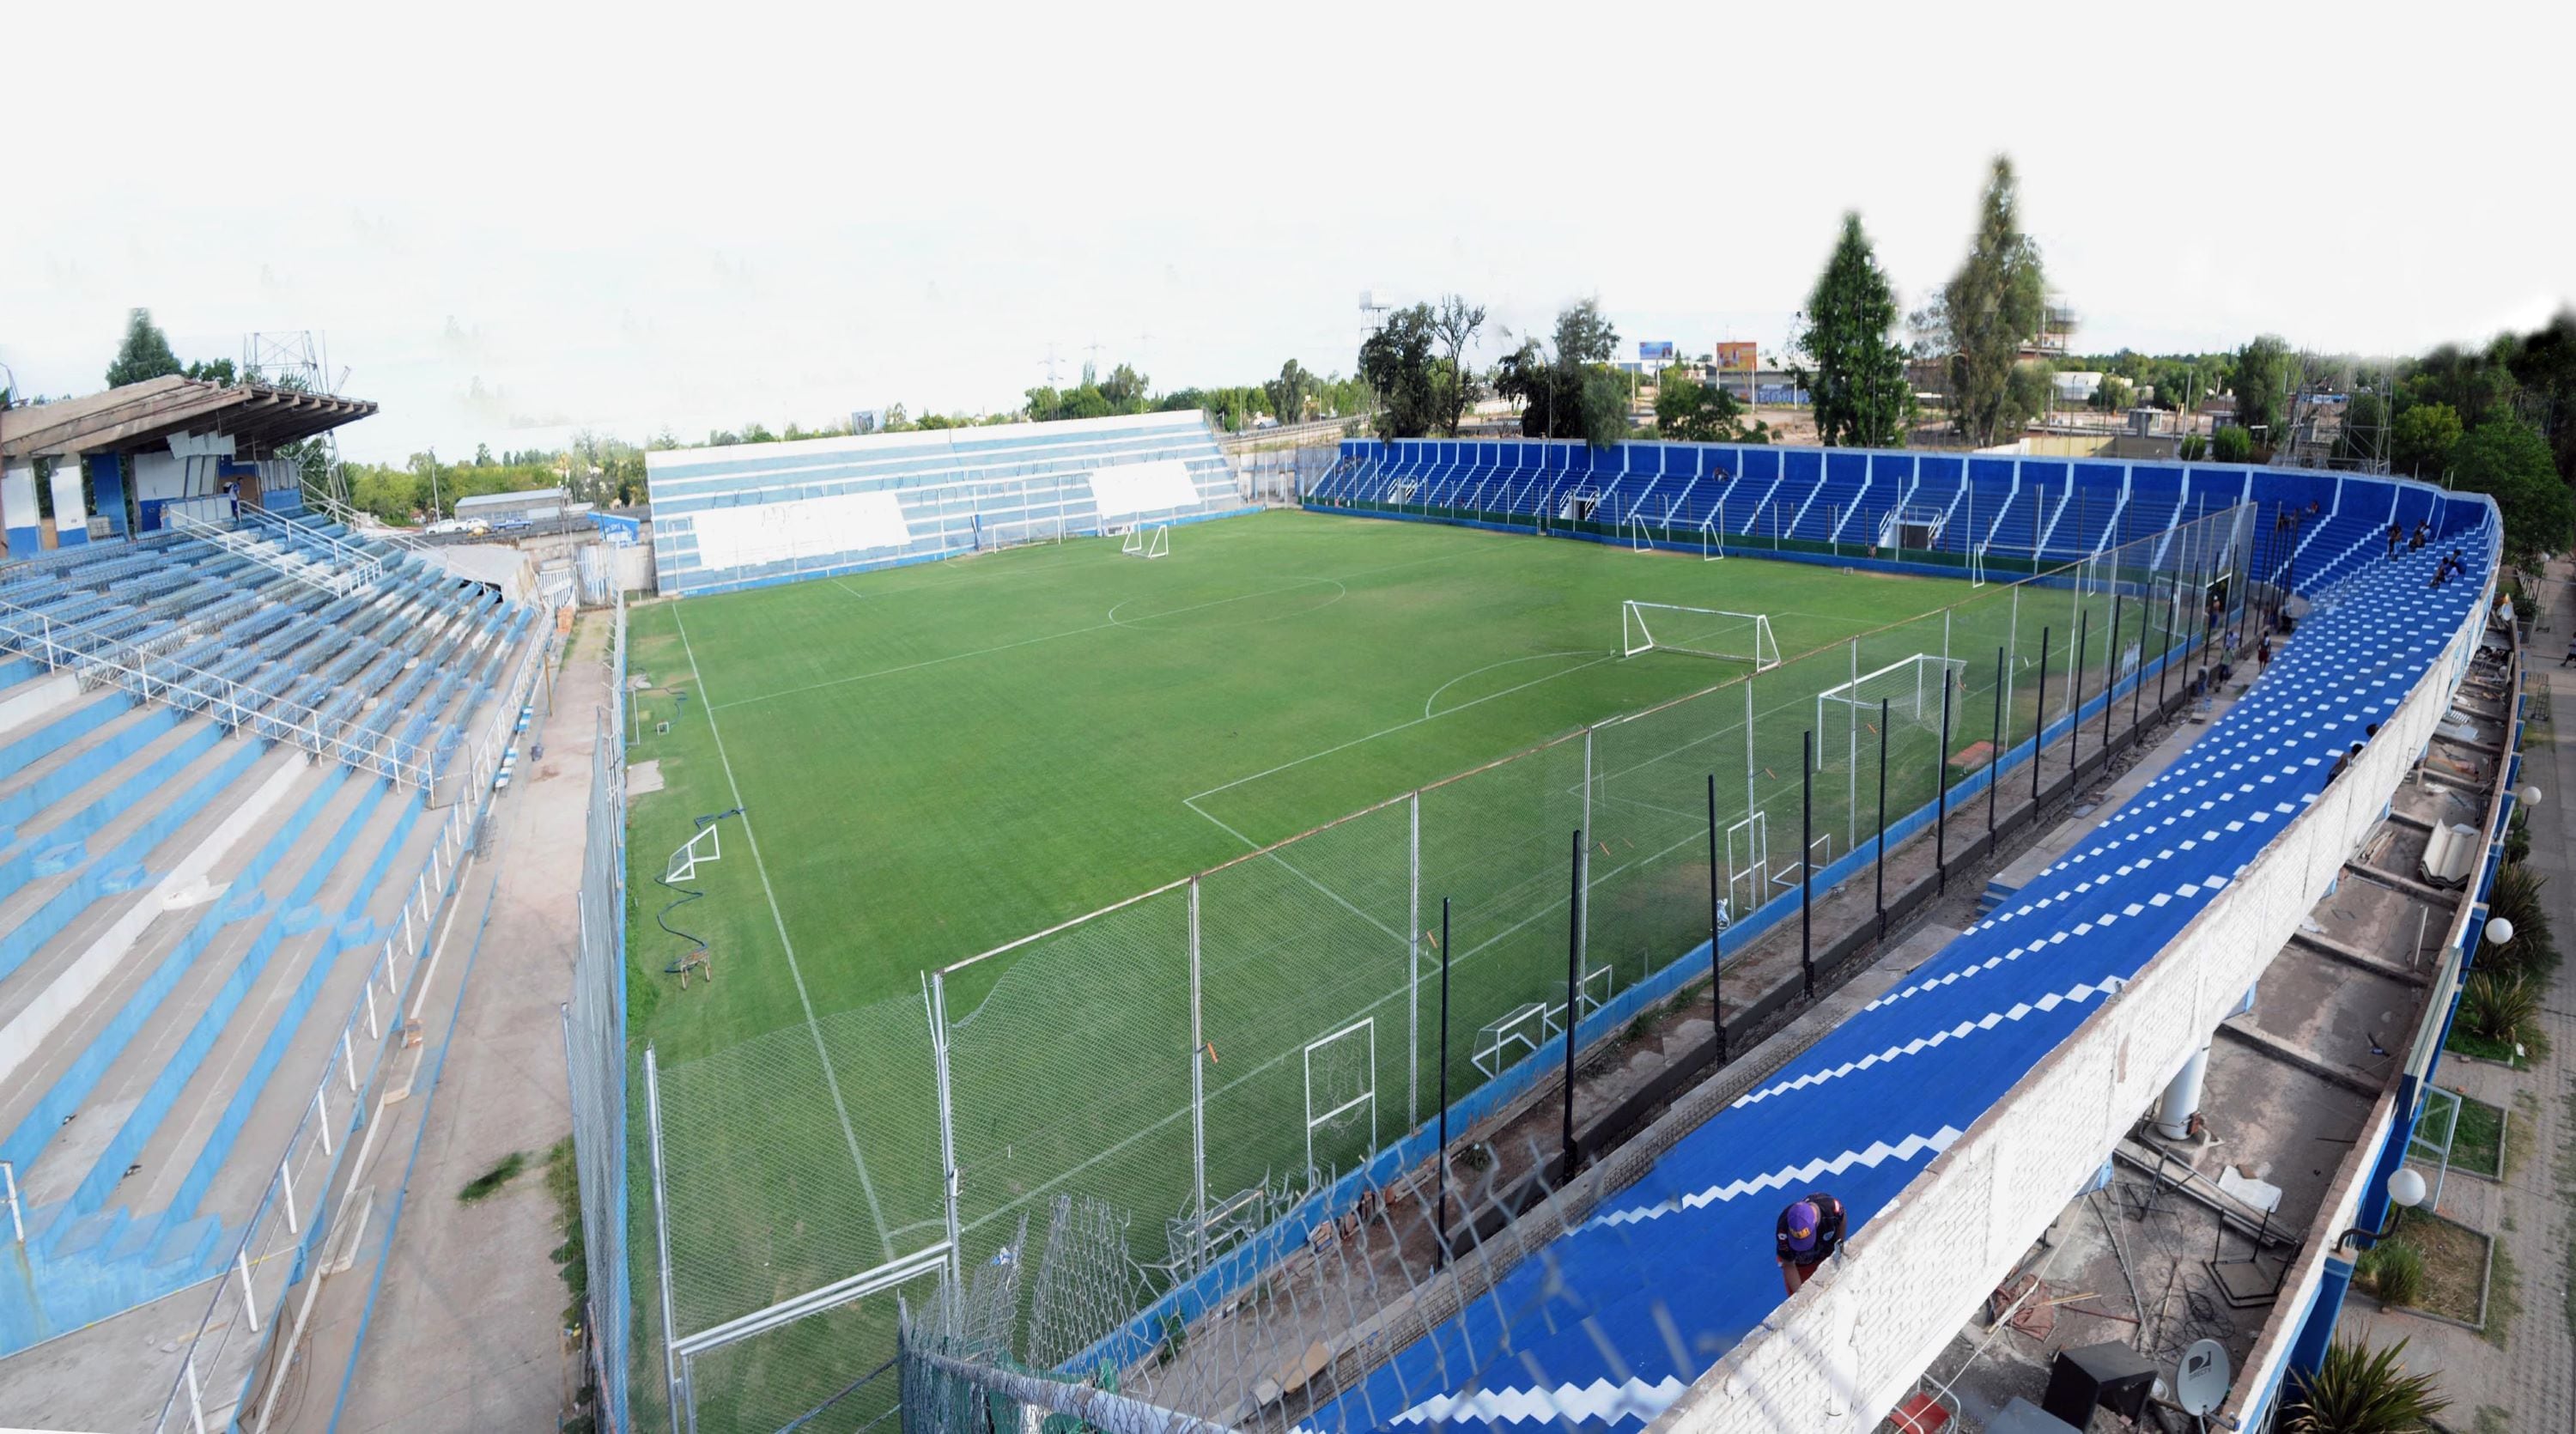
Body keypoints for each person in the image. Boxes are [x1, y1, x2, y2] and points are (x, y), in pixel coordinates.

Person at [1776, 1192, 1849, 1295]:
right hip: (1801, 1266)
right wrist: (1801, 1297)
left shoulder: (1833, 1209)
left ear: (1815, 1222)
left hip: (1826, 1255)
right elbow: (1789, 1265)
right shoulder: (1783, 1230)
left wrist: (1838, 1249)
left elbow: (1842, 1218)